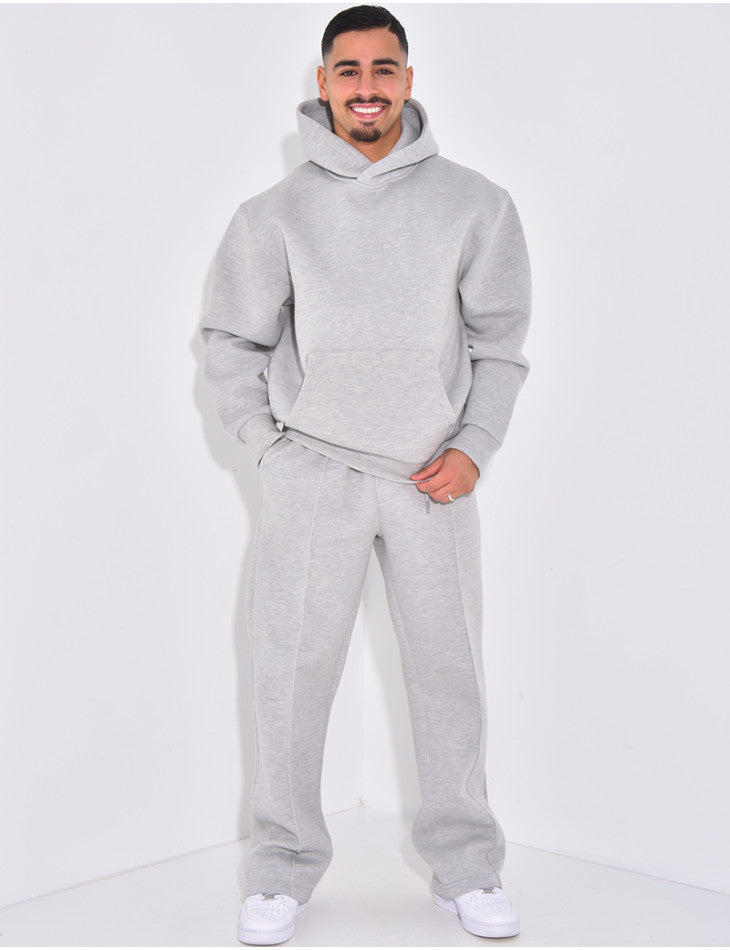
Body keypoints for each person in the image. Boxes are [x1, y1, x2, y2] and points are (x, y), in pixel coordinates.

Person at [200, 5, 531, 944]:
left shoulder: (475, 204)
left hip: (433, 478)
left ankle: (466, 868)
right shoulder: (273, 215)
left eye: (384, 68)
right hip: (314, 476)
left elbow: (501, 342)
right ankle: (281, 869)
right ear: (324, 83)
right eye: (348, 70)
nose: (367, 86)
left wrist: (474, 445)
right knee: (289, 676)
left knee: (449, 674)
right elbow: (230, 342)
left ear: (409, 80)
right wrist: (269, 448)